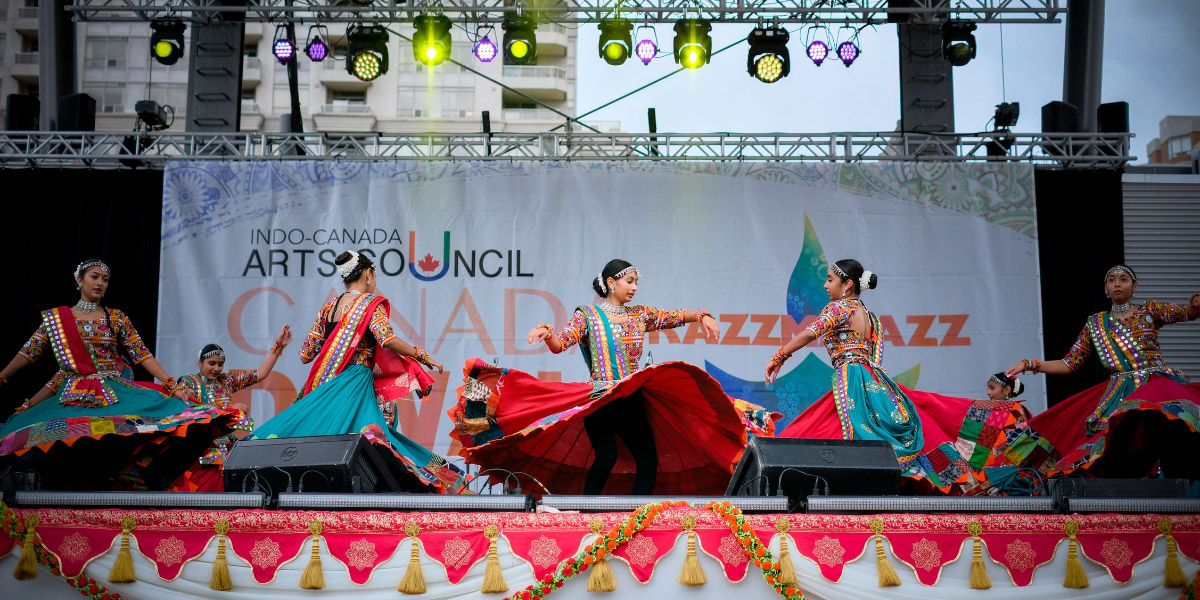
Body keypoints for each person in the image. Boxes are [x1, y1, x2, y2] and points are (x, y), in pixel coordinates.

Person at [448, 259, 779, 496]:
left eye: (636, 283)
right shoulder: (588, 316)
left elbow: (677, 316)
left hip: (632, 400)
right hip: (601, 401)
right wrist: (547, 333)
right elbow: (561, 344)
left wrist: (703, 316)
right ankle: (587, 515)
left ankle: (634, 515)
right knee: (605, 457)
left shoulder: (640, 315)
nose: (634, 288)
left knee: (648, 461)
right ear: (610, 283)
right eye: (629, 282)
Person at [767, 259, 1048, 494]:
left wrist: (779, 356)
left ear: (847, 284)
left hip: (851, 379)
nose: (825, 285)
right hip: (874, 379)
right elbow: (874, 358)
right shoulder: (870, 317)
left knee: (823, 435)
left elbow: (810, 333)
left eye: (829, 280)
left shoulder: (839, 308)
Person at [0, 259, 243, 490]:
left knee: (138, 432)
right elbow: (30, 351)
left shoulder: (116, 318)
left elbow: (142, 354)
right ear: (79, 280)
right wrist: (3, 376)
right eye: (94, 277)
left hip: (111, 392)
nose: (100, 283)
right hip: (73, 395)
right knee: (61, 442)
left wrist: (172, 385)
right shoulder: (57, 320)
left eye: (105, 279)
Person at [247, 251, 468, 493]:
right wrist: (423, 356)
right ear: (368, 274)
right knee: (373, 443)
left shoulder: (328, 309)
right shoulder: (369, 305)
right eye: (375, 275)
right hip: (356, 384)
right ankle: (428, 484)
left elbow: (305, 355)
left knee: (331, 440)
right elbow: (387, 339)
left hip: (329, 385)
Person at [1004, 264, 1200, 479]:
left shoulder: (1150, 310)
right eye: (1112, 280)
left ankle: (1178, 490)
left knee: (1171, 439)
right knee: (1115, 449)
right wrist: (1029, 364)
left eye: (1124, 279)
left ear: (1135, 286)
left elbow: (1186, 313)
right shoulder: (1096, 324)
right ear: (1106, 289)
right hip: (1119, 394)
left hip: (1155, 388)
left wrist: (1195, 306)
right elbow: (1069, 363)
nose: (1117, 284)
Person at [170, 330, 291, 491]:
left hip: (226, 447)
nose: (216, 368)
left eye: (220, 364)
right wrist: (229, 410)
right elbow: (191, 412)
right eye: (211, 363)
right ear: (200, 363)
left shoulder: (226, 381)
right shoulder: (189, 383)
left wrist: (278, 346)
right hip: (200, 449)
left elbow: (260, 374)